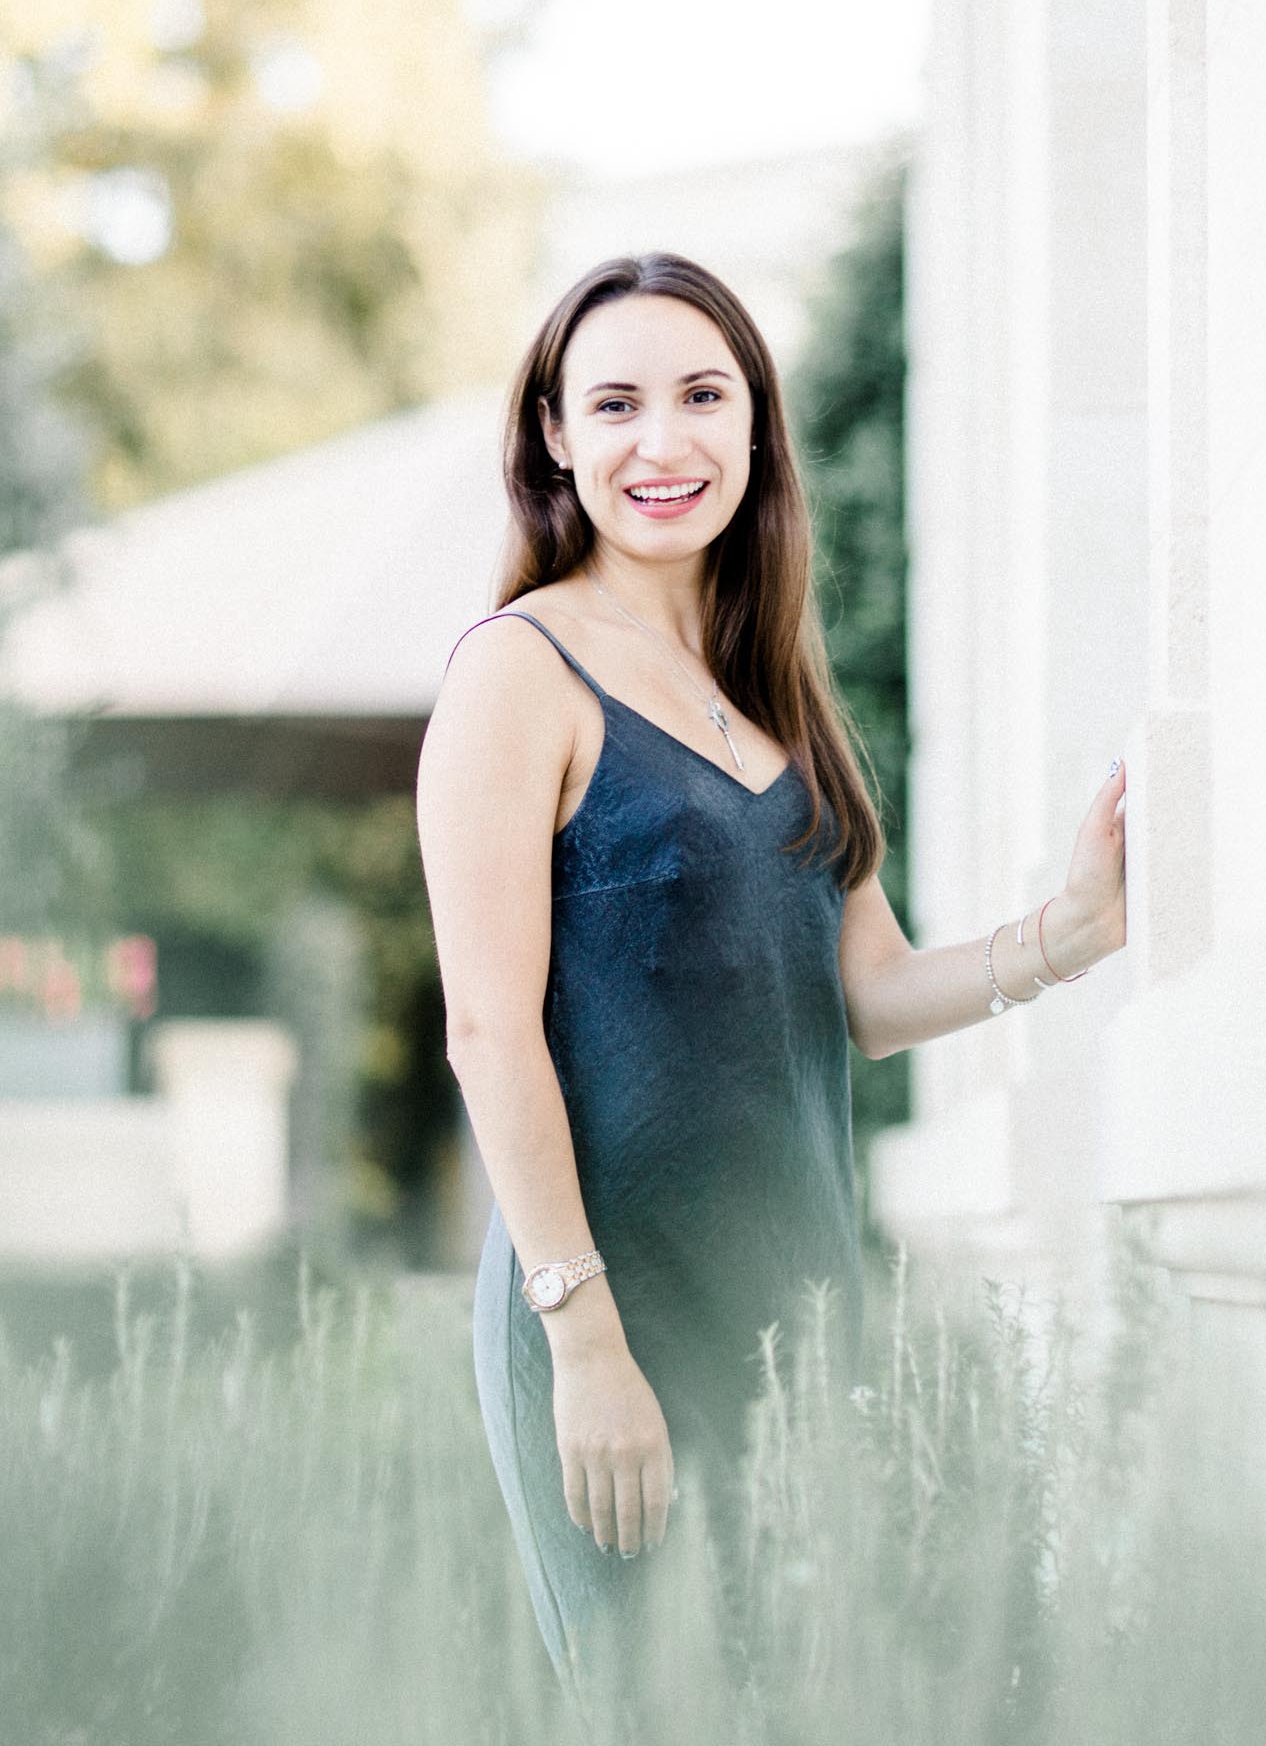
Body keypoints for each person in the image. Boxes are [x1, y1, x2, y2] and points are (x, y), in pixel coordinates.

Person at [415, 251, 1128, 1719]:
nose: (659, 442)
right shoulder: (516, 671)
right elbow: (488, 1033)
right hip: (608, 1313)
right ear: (553, 434)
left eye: (700, 396)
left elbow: (861, 996)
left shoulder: (775, 691)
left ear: (754, 424)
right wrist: (585, 1346)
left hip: (791, 1311)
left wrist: (1066, 932)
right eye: (612, 404)